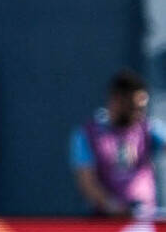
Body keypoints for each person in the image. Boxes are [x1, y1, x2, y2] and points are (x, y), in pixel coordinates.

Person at [70, 69, 166, 218]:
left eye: (142, 108)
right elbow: (87, 182)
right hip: (106, 223)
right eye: (134, 108)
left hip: (145, 221)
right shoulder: (87, 135)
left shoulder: (149, 129)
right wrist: (113, 207)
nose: (140, 113)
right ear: (117, 101)